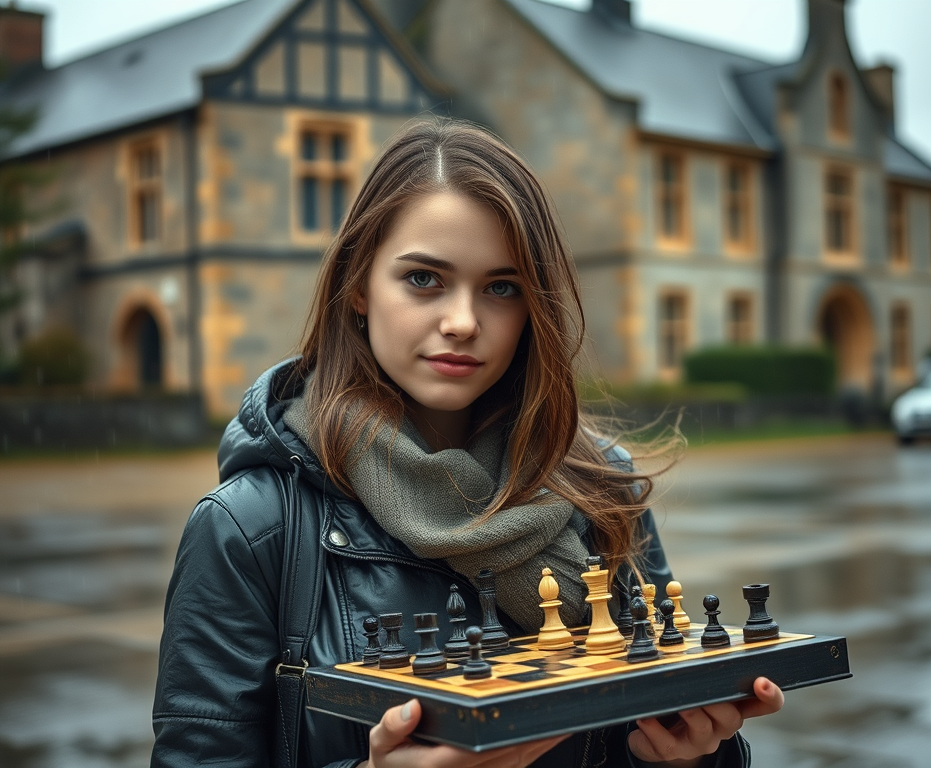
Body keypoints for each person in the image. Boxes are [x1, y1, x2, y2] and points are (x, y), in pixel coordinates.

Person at [151, 119, 784, 768]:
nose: (463, 322)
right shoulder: (250, 530)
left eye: (501, 288)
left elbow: (661, 704)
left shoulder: (599, 487)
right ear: (359, 286)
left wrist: (695, 756)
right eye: (424, 279)